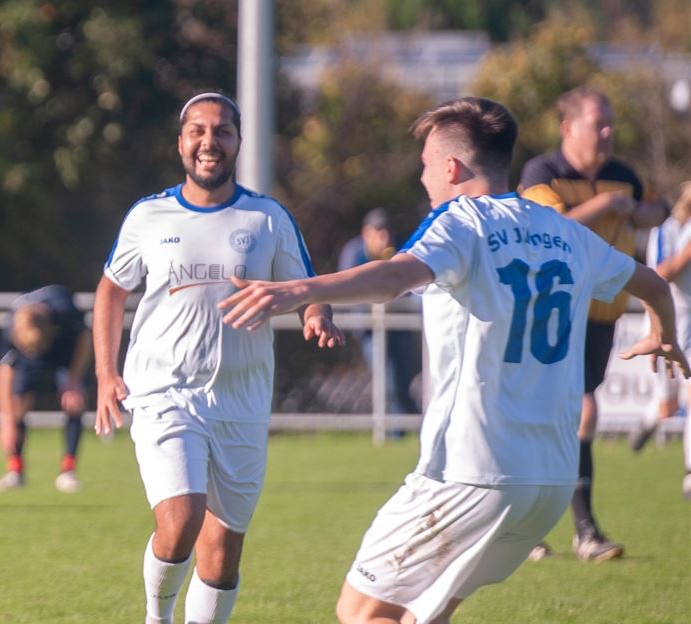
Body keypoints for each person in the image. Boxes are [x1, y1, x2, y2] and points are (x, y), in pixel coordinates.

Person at [218, 96, 688, 624]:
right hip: (550, 483)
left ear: (451, 167)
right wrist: (664, 334)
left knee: (360, 611)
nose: (423, 179)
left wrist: (298, 289)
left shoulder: (460, 223)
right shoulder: (565, 231)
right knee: (421, 615)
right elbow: (651, 283)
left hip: (469, 473)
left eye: (424, 166)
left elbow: (393, 277)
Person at [93, 92, 344, 624]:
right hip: (165, 391)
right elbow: (112, 290)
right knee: (181, 519)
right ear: (181, 142)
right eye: (198, 131)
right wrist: (106, 373)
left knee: (222, 554)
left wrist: (314, 315)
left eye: (222, 132)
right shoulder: (148, 216)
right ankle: (156, 617)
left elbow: (307, 285)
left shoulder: (267, 217)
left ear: (237, 141)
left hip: (241, 400)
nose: (210, 142)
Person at [518, 86, 667, 561]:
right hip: (552, 316)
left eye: (610, 124)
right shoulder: (544, 173)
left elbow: (659, 210)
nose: (607, 133)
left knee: (564, 417)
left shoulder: (623, 175)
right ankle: (583, 532)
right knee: (576, 412)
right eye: (597, 124)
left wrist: (643, 211)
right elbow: (547, 228)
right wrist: (607, 207)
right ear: (568, 129)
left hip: (603, 317)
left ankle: (531, 529)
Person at [0, 285, 92, 494]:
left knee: (74, 402)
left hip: (64, 351)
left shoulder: (65, 311)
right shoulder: (12, 323)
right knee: (16, 405)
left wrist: (73, 380)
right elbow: (4, 374)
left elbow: (85, 341)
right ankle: (15, 470)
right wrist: (6, 422)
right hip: (30, 355)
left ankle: (68, 471)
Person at [627, 181, 691, 498]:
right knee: (668, 406)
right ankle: (649, 420)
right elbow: (660, 275)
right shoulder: (666, 231)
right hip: (668, 322)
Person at [337, 208, 422, 418]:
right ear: (366, 233)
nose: (385, 238)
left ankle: (404, 425)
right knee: (387, 379)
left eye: (387, 232)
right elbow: (346, 288)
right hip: (369, 328)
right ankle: (397, 428)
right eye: (379, 232)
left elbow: (413, 290)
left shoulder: (400, 249)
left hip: (399, 325)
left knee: (405, 376)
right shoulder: (354, 252)